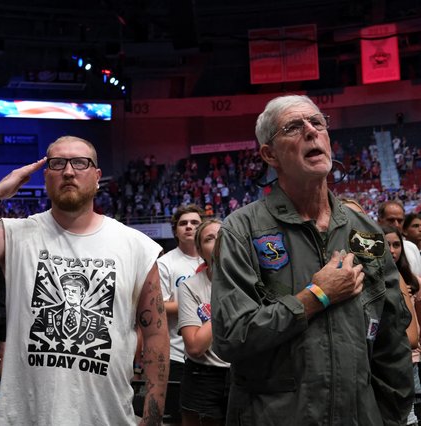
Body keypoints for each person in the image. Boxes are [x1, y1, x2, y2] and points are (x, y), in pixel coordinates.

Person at [0, 135, 170, 425]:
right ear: (45, 174)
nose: (68, 171)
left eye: (80, 162)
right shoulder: (15, 234)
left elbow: (154, 333)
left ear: (97, 176)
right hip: (28, 416)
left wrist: (153, 415)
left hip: (107, 416)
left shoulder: (137, 246)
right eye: (57, 163)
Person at [210, 94, 413, 425]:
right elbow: (232, 337)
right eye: (293, 126)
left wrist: (388, 416)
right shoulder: (242, 230)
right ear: (269, 154)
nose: (311, 131)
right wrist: (315, 297)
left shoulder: (364, 232)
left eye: (317, 122)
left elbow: (391, 337)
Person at [177, 219, 229, 426]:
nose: (218, 242)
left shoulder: (254, 280)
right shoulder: (190, 287)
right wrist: (226, 296)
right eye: (210, 239)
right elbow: (195, 346)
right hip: (203, 376)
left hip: (245, 373)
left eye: (223, 236)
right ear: (200, 250)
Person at [157, 204, 204, 386]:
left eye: (195, 223)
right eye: (183, 223)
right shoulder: (165, 263)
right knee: (179, 411)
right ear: (176, 231)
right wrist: (199, 307)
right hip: (177, 352)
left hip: (212, 351)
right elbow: (158, 306)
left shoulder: (212, 260)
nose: (189, 226)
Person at [381, 224, 421, 425]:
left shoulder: (403, 280)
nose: (391, 250)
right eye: (387, 244)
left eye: (396, 245)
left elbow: (413, 337)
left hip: (405, 365)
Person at [378, 200, 421, 278]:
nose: (396, 225)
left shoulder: (412, 247)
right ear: (379, 221)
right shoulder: (371, 248)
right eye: (391, 220)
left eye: (400, 221)